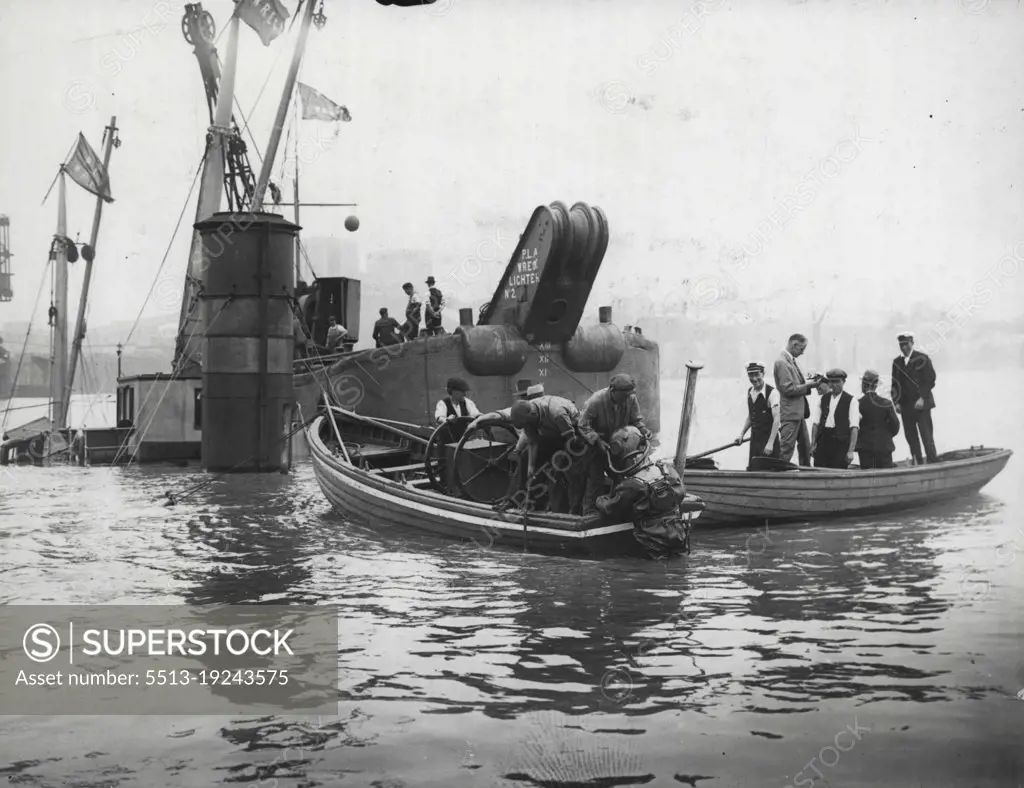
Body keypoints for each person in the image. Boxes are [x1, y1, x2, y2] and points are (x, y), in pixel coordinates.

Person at [595, 426, 693, 558]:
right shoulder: (668, 470)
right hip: (678, 536)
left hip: (652, 543)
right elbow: (681, 494)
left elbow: (611, 509)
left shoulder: (632, 485)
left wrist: (599, 500)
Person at [578, 374, 653, 515]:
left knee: (621, 478)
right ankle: (590, 513)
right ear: (613, 390)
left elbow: (636, 420)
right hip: (597, 446)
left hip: (619, 445)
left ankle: (617, 508)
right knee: (595, 480)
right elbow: (583, 425)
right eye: (624, 395)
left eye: (629, 395)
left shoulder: (630, 398)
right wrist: (597, 440)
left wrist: (644, 430)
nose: (627, 398)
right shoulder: (595, 401)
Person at [506, 395, 583, 513]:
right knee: (525, 456)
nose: (528, 426)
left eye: (527, 423)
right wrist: (530, 468)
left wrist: (560, 460)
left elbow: (571, 441)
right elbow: (533, 443)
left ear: (533, 415)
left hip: (574, 440)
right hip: (553, 437)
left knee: (555, 470)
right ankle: (515, 500)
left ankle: (559, 511)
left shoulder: (557, 412)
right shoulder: (527, 414)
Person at [773, 333, 823, 465]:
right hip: (790, 414)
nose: (802, 353)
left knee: (805, 448)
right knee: (786, 449)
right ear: (794, 345)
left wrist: (810, 382)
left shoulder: (789, 361)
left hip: (798, 414)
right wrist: (810, 385)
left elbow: (794, 384)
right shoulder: (782, 362)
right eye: (801, 349)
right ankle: (778, 477)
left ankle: (806, 477)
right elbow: (788, 389)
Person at [890, 331, 938, 464]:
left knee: (927, 437)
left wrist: (922, 398)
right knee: (911, 438)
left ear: (912, 343)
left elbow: (930, 380)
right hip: (906, 407)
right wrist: (896, 403)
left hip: (922, 406)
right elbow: (894, 385)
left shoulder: (922, 358)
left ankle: (933, 462)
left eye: (906, 344)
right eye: (901, 345)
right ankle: (918, 464)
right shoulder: (896, 362)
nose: (904, 347)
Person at [810, 368, 860, 469]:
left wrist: (850, 451)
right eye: (832, 382)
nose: (834, 385)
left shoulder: (851, 400)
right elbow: (816, 423)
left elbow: (854, 428)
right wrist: (813, 444)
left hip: (841, 444)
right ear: (828, 383)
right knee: (819, 469)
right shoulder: (823, 399)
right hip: (823, 441)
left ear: (844, 382)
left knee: (838, 470)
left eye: (838, 382)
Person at [736, 361, 781, 469]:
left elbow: (776, 419)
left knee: (770, 474)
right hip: (755, 443)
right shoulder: (749, 392)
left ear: (763, 374)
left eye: (757, 374)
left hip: (769, 444)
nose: (754, 378)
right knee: (754, 472)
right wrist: (741, 434)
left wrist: (770, 444)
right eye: (751, 375)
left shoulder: (773, 393)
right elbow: (751, 416)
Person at [856, 369, 901, 469]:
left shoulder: (857, 404)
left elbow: (854, 427)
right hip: (884, 447)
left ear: (863, 384)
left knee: (867, 479)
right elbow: (895, 427)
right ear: (876, 385)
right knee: (887, 476)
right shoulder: (886, 403)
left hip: (865, 448)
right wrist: (885, 436)